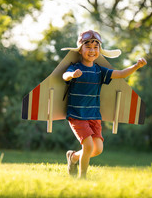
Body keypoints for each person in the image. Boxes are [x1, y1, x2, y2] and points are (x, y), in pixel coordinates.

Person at [62, 30, 147, 178]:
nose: (92, 50)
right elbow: (65, 75)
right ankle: (82, 177)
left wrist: (136, 67)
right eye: (88, 46)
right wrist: (72, 75)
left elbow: (120, 74)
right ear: (80, 49)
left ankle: (73, 157)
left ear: (99, 51)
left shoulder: (99, 71)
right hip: (77, 115)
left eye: (96, 47)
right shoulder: (75, 67)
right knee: (88, 146)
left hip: (94, 115)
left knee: (98, 149)